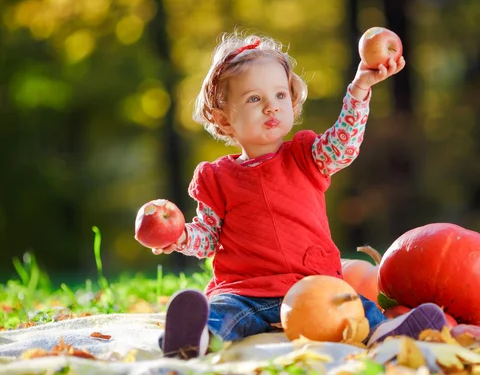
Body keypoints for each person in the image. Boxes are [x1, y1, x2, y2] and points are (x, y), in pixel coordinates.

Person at [138, 31, 446, 359]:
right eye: (255, 99)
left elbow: (344, 145)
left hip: (312, 285)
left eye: (280, 95)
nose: (272, 107)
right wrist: (181, 235)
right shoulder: (216, 177)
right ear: (223, 117)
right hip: (247, 290)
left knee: (356, 308)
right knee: (223, 312)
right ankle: (193, 338)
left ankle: (389, 333)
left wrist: (360, 89)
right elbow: (207, 237)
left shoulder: (305, 155)